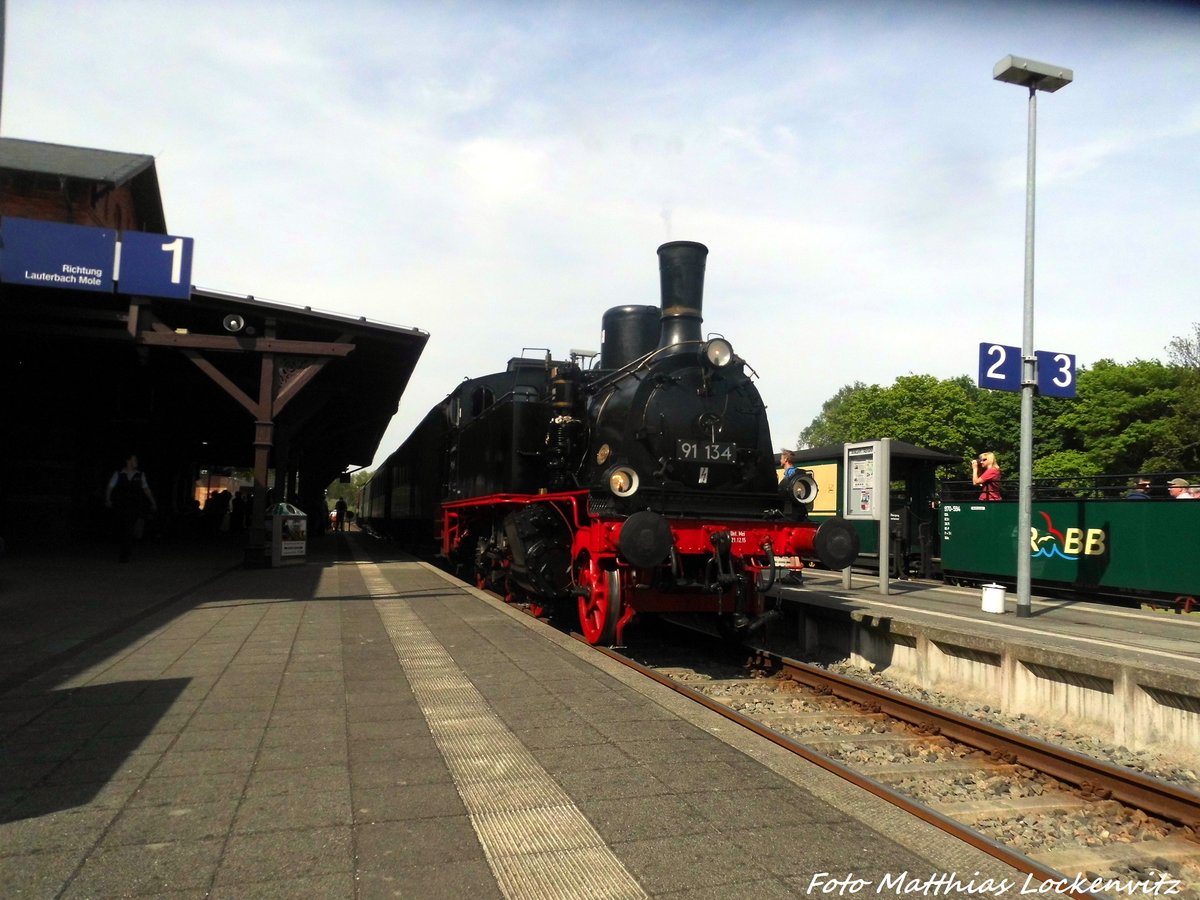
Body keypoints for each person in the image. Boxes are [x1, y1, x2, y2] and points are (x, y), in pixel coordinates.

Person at [105, 454, 157, 562]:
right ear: (128, 461)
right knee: (124, 528)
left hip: (134, 506)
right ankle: (125, 551)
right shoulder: (119, 474)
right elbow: (110, 486)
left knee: (130, 528)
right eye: (134, 459)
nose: (136, 461)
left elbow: (146, 489)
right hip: (121, 505)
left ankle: (125, 553)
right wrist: (108, 498)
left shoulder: (140, 474)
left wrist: (153, 502)